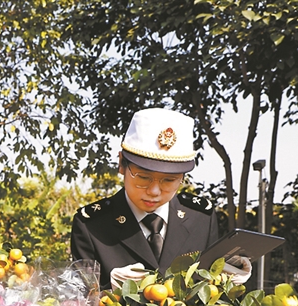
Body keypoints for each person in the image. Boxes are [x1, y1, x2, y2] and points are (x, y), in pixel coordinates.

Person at [71, 108, 249, 290]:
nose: (154, 191)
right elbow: (77, 300)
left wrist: (228, 281)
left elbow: (209, 291)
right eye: (143, 177)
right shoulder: (92, 225)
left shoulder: (200, 219)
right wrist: (109, 288)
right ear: (121, 163)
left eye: (169, 180)